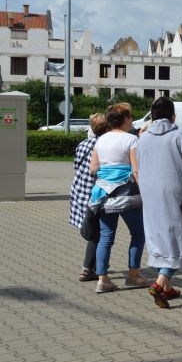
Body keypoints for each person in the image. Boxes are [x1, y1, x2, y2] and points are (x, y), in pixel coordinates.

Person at [137, 97, 182, 308]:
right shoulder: (178, 136)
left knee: (159, 238)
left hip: (150, 195)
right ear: (173, 116)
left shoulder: (143, 138)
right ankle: (159, 284)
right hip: (176, 195)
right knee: (176, 241)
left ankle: (167, 289)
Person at [89, 103, 148, 294]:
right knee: (138, 234)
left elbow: (93, 169)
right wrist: (145, 192)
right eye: (130, 116)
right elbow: (137, 170)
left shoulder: (101, 140)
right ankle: (133, 274)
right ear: (124, 119)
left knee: (106, 237)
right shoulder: (132, 140)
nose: (132, 119)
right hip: (127, 193)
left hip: (104, 193)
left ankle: (102, 279)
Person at [69, 113, 111, 282]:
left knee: (94, 230)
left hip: (79, 190)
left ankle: (95, 264)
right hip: (94, 194)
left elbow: (75, 165)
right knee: (97, 233)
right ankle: (87, 269)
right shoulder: (103, 146)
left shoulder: (83, 144)